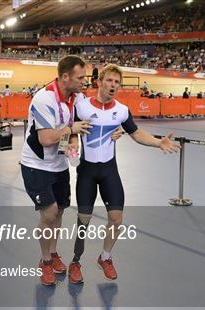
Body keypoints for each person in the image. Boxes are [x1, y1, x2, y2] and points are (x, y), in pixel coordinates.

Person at [68, 64, 181, 283]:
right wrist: (71, 148)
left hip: (109, 170)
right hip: (87, 172)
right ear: (99, 82)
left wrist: (159, 143)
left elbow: (136, 133)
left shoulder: (121, 110)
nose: (113, 85)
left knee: (117, 219)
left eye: (117, 82)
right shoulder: (80, 106)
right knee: (84, 220)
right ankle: (75, 260)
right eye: (109, 80)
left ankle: (105, 257)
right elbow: (70, 130)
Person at [20, 55, 93, 286]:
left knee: (60, 211)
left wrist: (73, 139)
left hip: (59, 164)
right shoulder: (44, 98)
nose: (84, 81)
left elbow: (74, 128)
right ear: (65, 77)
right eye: (80, 77)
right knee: (49, 213)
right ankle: (45, 261)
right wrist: (71, 128)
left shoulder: (76, 97)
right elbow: (46, 138)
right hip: (36, 164)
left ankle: (52, 254)